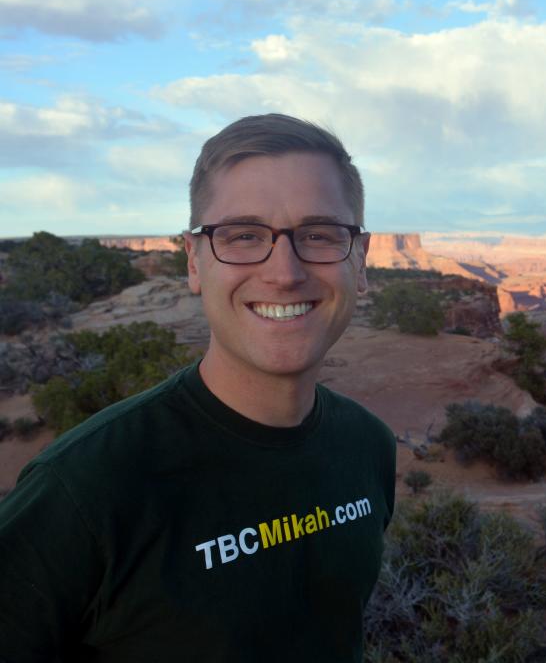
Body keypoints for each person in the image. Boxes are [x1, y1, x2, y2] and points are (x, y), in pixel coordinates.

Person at [0, 114, 396, 662]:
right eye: (243, 236)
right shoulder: (84, 489)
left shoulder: (367, 445)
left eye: (319, 235)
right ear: (193, 260)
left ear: (361, 259)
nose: (284, 271)